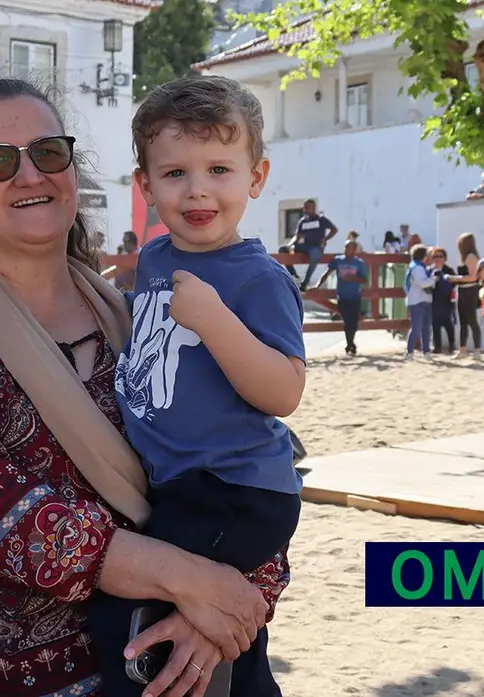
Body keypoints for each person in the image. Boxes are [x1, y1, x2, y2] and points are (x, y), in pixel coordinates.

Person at [0, 78, 277, 697]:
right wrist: (189, 582)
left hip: (190, 666)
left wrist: (225, 611)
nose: (29, 175)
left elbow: (251, 465)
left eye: (48, 153)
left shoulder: (148, 318)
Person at [98, 74, 304, 697]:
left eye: (219, 169)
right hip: (182, 485)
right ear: (146, 186)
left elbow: (284, 392)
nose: (198, 190)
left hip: (234, 489)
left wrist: (216, 321)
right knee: (196, 625)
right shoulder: (159, 256)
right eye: (175, 173)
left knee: (136, 623)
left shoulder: (255, 279)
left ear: (256, 178)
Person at [316, 239, 368, 355]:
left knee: (353, 322)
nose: (346, 250)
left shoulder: (359, 263)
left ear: (354, 250)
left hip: (355, 295)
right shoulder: (338, 260)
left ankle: (350, 344)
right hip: (342, 295)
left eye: (348, 248)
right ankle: (351, 345)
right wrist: (318, 285)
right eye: (345, 247)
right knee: (347, 320)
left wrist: (352, 278)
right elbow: (327, 273)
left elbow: (364, 280)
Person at [290, 199, 337, 291]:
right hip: (305, 246)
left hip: (316, 247)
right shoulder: (302, 221)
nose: (305, 209)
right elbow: (297, 236)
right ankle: (292, 274)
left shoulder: (321, 219)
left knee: (315, 254)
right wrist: (290, 244)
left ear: (314, 208)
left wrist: (325, 239)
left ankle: (305, 282)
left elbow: (334, 230)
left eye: (308, 207)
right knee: (282, 249)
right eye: (305, 207)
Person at [453, 232, 483, 359]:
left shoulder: (471, 257)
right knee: (463, 322)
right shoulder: (466, 257)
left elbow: (473, 277)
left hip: (470, 291)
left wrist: (455, 278)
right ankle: (463, 349)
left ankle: (477, 350)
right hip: (463, 291)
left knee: (472, 321)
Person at [404, 244, 435, 356]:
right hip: (417, 300)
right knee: (416, 328)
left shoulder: (420, 267)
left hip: (424, 300)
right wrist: (434, 279)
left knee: (426, 328)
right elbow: (422, 283)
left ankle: (426, 350)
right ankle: (409, 350)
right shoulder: (417, 268)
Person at [429, 247, 457, 354]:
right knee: (435, 324)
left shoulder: (449, 270)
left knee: (448, 323)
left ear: (445, 258)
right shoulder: (430, 270)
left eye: (440, 256)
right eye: (435, 256)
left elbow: (454, 282)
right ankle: (437, 347)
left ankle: (451, 345)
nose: (438, 258)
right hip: (434, 300)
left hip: (446, 299)